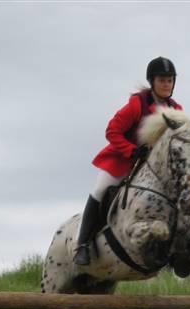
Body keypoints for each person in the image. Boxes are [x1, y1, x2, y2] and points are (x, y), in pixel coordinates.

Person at [74, 57, 182, 266]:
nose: (166, 84)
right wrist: (132, 151)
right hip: (124, 160)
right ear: (152, 81)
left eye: (170, 80)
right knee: (100, 190)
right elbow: (112, 131)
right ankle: (82, 244)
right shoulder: (137, 104)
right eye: (162, 80)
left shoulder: (176, 110)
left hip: (155, 169)